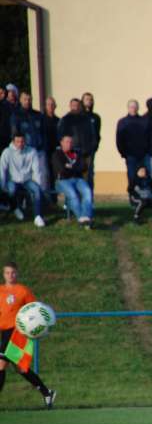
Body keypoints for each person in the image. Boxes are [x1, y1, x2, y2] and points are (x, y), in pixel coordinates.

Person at [0, 262, 56, 408]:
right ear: (3, 274)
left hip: (16, 332)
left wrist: (35, 328)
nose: (10, 275)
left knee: (1, 364)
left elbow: (35, 310)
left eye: (13, 272)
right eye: (7, 273)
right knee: (20, 368)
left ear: (17, 274)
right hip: (4, 331)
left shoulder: (23, 291)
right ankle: (47, 392)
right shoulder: (0, 290)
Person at [0, 133, 46, 227]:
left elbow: (36, 169)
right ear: (13, 141)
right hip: (12, 179)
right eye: (17, 141)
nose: (20, 143)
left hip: (27, 179)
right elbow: (2, 169)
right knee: (11, 190)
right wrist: (3, 185)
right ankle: (15, 207)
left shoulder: (32, 151)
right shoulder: (7, 152)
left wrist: (37, 183)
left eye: (22, 141)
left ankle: (38, 216)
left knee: (37, 190)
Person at [52, 134, 94, 228]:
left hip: (78, 179)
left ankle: (85, 217)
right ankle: (82, 219)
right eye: (67, 142)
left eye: (71, 142)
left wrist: (70, 167)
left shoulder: (77, 153)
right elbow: (61, 170)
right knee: (72, 195)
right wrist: (74, 168)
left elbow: (84, 167)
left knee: (87, 192)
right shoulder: (57, 155)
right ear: (61, 143)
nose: (69, 144)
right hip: (62, 181)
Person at [59, 98, 97, 190]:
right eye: (73, 105)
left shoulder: (87, 119)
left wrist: (92, 148)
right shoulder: (65, 120)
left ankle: (89, 202)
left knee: (88, 178)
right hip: (71, 154)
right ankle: (74, 202)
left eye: (77, 105)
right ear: (70, 106)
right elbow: (60, 136)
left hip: (87, 153)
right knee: (72, 178)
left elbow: (93, 135)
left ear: (80, 106)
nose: (75, 107)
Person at [9, 92, 48, 183]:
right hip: (25, 152)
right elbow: (14, 135)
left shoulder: (38, 115)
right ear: (20, 100)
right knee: (26, 178)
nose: (27, 101)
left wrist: (44, 148)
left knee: (42, 178)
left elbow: (44, 133)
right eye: (25, 99)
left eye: (29, 99)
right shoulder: (16, 116)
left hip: (39, 151)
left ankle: (42, 196)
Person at [115, 99, 152, 186]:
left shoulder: (144, 121)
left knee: (145, 176)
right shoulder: (122, 122)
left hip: (144, 154)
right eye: (131, 107)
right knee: (132, 177)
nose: (133, 109)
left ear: (138, 108)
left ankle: (145, 196)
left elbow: (150, 136)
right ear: (128, 108)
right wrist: (123, 153)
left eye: (135, 107)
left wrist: (149, 151)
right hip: (130, 155)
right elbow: (119, 139)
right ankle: (133, 196)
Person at [81, 92, 101, 188]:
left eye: (91, 99)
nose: (89, 101)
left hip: (90, 151)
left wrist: (95, 145)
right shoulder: (78, 116)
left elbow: (97, 134)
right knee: (79, 175)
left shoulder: (95, 117)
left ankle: (89, 199)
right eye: (87, 99)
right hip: (78, 151)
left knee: (89, 175)